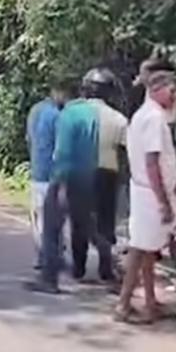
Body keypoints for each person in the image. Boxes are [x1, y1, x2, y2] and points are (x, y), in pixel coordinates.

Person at [25, 71, 113, 294]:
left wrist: (60, 182)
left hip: (65, 177)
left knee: (51, 229)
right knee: (88, 227)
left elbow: (62, 152)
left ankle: (49, 279)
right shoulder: (91, 114)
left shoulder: (67, 115)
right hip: (86, 176)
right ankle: (111, 262)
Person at [115, 70, 176, 324]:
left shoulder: (144, 116)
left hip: (143, 189)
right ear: (156, 90)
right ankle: (123, 304)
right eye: (171, 91)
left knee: (148, 249)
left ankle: (150, 302)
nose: (175, 97)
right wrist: (163, 200)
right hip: (152, 192)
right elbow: (152, 162)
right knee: (140, 248)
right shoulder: (153, 118)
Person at [26, 80, 69, 265]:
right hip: (53, 173)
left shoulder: (34, 111)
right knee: (54, 218)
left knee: (39, 216)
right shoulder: (58, 115)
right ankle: (54, 255)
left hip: (37, 170)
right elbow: (61, 148)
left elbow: (29, 138)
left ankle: (42, 255)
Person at [87, 69, 128, 249]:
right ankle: (105, 259)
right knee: (106, 218)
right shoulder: (118, 118)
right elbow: (129, 148)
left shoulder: (72, 114)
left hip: (78, 172)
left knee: (80, 217)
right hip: (107, 173)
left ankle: (78, 265)